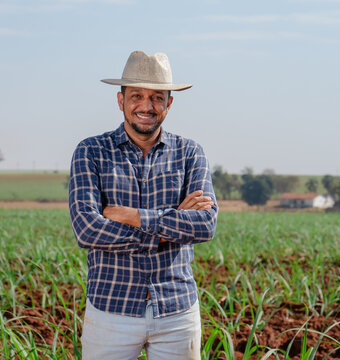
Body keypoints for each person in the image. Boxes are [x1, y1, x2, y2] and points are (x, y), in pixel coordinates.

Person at [68, 50, 218, 359]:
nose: (146, 106)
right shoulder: (91, 152)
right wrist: (170, 228)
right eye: (137, 95)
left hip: (176, 310)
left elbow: (205, 225)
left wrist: (130, 216)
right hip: (111, 309)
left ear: (169, 103)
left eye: (157, 98)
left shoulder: (190, 153)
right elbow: (86, 229)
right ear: (120, 100)